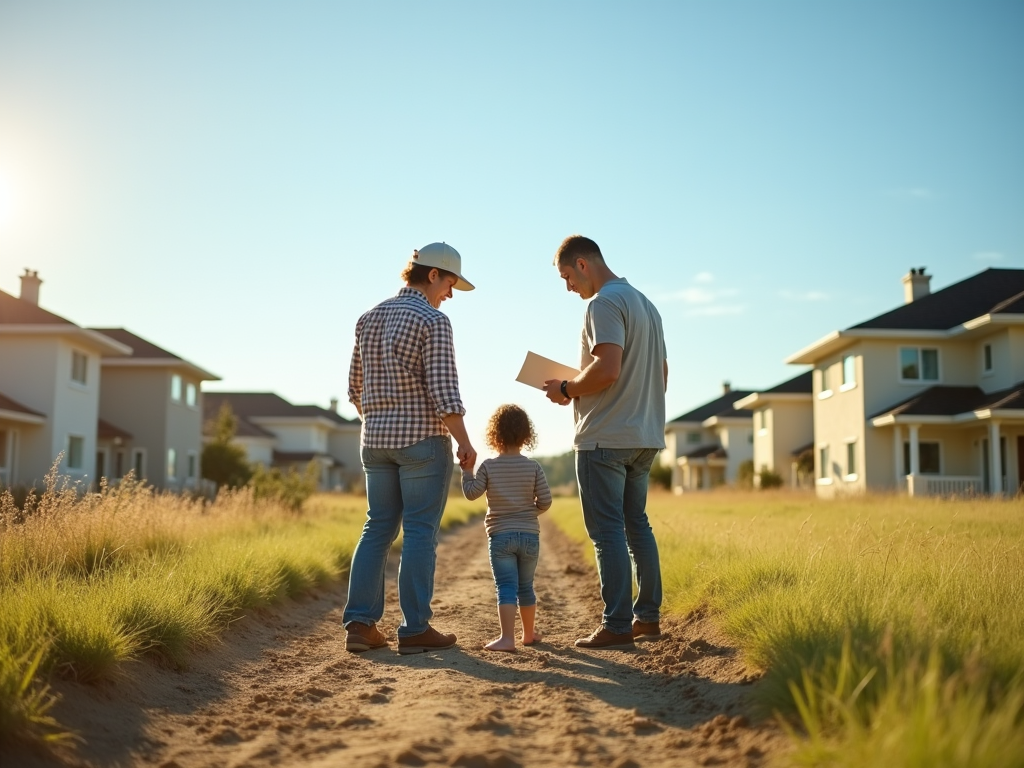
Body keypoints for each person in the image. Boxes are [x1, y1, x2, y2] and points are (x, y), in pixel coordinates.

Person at [344, 243, 478, 655]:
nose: (450, 295)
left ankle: (360, 626)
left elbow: (354, 389)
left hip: (375, 443)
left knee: (377, 527)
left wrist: (381, 420)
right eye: (451, 283)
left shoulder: (368, 318)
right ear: (434, 274)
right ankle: (415, 628)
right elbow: (443, 391)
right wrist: (465, 442)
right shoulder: (433, 320)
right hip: (422, 441)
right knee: (420, 531)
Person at [542, 235, 668, 650]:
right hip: (645, 435)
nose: (568, 288)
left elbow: (608, 367)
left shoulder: (602, 303)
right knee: (637, 525)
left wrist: (566, 387)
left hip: (604, 439)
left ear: (582, 264)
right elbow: (662, 372)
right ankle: (646, 620)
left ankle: (616, 625)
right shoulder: (646, 305)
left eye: (566, 277)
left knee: (607, 532)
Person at [462, 404, 552, 652]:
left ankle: (507, 639)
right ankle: (529, 634)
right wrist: (526, 514)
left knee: (506, 587)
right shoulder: (533, 467)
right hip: (529, 537)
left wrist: (467, 471)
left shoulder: (489, 466)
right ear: (526, 435)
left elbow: (471, 493)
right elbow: (546, 501)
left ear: (495, 434)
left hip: (501, 537)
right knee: (526, 586)